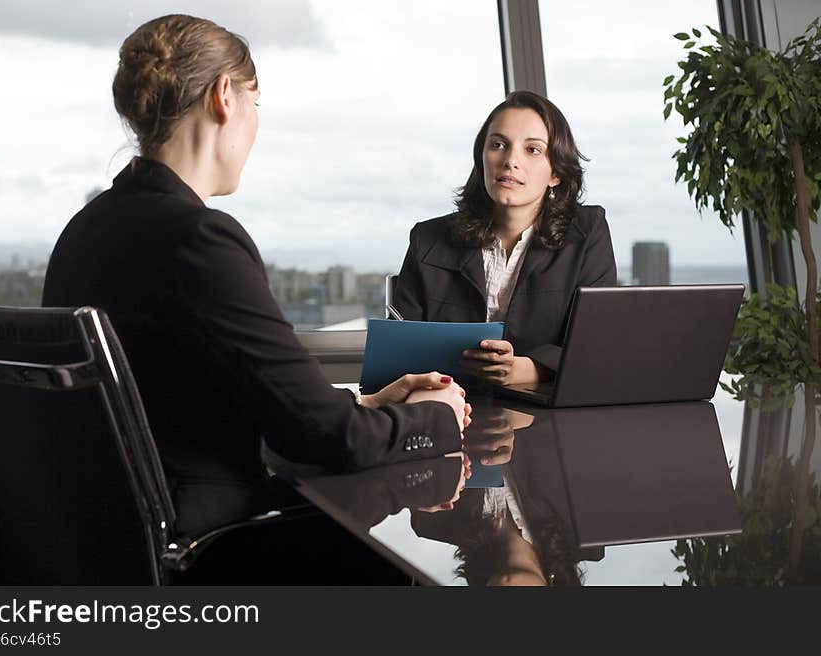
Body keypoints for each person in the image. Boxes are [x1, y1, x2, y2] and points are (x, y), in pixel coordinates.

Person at [41, 14, 470, 536]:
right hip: (211, 543)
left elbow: (216, 403)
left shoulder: (85, 230)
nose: (255, 122)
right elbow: (327, 440)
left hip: (105, 537)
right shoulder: (198, 240)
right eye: (256, 103)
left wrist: (367, 403)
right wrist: (438, 414)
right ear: (225, 96)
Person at [392, 91, 616, 385]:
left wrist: (527, 369)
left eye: (533, 150)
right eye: (498, 145)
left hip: (546, 413)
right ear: (481, 158)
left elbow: (598, 344)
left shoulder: (587, 233)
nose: (511, 160)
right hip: (444, 408)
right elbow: (398, 354)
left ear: (556, 173)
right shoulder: (428, 239)